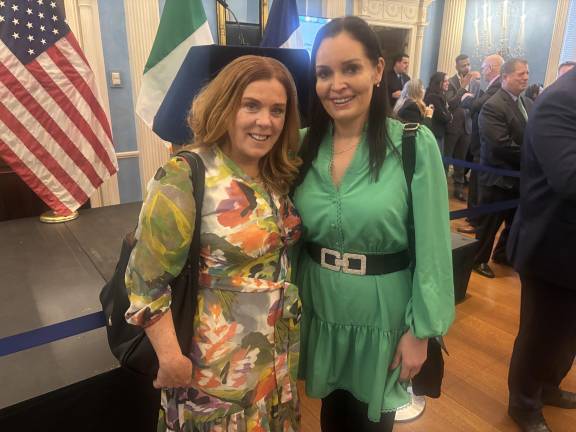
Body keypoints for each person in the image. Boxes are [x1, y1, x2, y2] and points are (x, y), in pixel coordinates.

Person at [124, 55, 303, 432]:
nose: (265, 121)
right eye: (251, 105)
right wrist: (170, 357)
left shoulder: (275, 174)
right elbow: (145, 282)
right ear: (225, 106)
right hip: (211, 375)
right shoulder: (186, 173)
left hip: (275, 364)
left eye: (277, 110)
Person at [293, 16, 455, 432]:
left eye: (351, 68)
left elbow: (434, 250)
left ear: (378, 70)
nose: (337, 84)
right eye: (324, 73)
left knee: (371, 423)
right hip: (319, 305)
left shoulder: (412, 144)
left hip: (383, 314)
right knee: (332, 417)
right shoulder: (300, 145)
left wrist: (422, 331)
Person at [506, 66, 576, 432]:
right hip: (552, 247)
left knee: (567, 334)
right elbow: (570, 178)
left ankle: (548, 387)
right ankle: (524, 404)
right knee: (541, 334)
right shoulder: (561, 100)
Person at [473, 58, 532, 279]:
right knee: (488, 225)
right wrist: (532, 157)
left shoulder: (526, 102)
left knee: (514, 222)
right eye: (520, 74)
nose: (525, 77)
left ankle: (502, 254)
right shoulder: (493, 105)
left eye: (527, 73)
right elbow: (500, 145)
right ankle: (477, 260)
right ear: (505, 77)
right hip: (497, 177)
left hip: (517, 178)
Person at [457, 53, 504, 234]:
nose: (482, 71)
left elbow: (477, 105)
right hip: (480, 144)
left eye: (484, 67)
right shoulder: (494, 87)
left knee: (478, 186)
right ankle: (474, 219)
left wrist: (465, 98)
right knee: (477, 184)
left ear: (491, 68)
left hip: (483, 146)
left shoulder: (496, 87)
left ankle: (474, 221)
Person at [445, 54, 481, 201]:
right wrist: (462, 87)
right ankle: (440, 188)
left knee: (461, 160)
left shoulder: (476, 83)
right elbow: (451, 103)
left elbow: (477, 103)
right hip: (452, 126)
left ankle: (459, 189)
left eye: (468, 64)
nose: (466, 68)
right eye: (463, 65)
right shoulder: (451, 82)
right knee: (446, 159)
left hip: (467, 125)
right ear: (456, 67)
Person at [424, 72, 452, 151]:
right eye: (445, 81)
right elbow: (444, 117)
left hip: (439, 133)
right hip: (434, 134)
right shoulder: (433, 97)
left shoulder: (440, 95)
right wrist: (450, 115)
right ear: (438, 82)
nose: (448, 83)